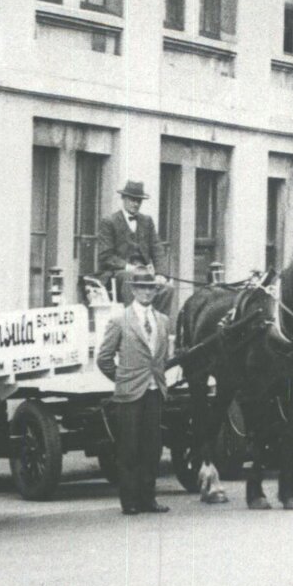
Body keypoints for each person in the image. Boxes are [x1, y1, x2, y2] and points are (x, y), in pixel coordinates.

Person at [97, 268, 172, 515]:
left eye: (151, 288)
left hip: (154, 391)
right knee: (129, 448)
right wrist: (122, 379)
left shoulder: (162, 320)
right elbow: (104, 358)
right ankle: (129, 501)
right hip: (130, 393)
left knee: (152, 448)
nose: (147, 292)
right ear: (133, 290)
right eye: (142, 288)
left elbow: (163, 357)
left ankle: (148, 498)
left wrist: (159, 380)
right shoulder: (120, 320)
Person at [96, 180, 171, 311]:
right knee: (130, 278)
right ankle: (133, 323)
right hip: (118, 273)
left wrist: (161, 274)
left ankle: (157, 323)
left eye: (139, 201)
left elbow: (157, 248)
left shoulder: (147, 221)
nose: (136, 204)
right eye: (132, 200)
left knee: (167, 287)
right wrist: (129, 267)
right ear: (123, 198)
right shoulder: (109, 222)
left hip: (144, 272)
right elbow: (106, 256)